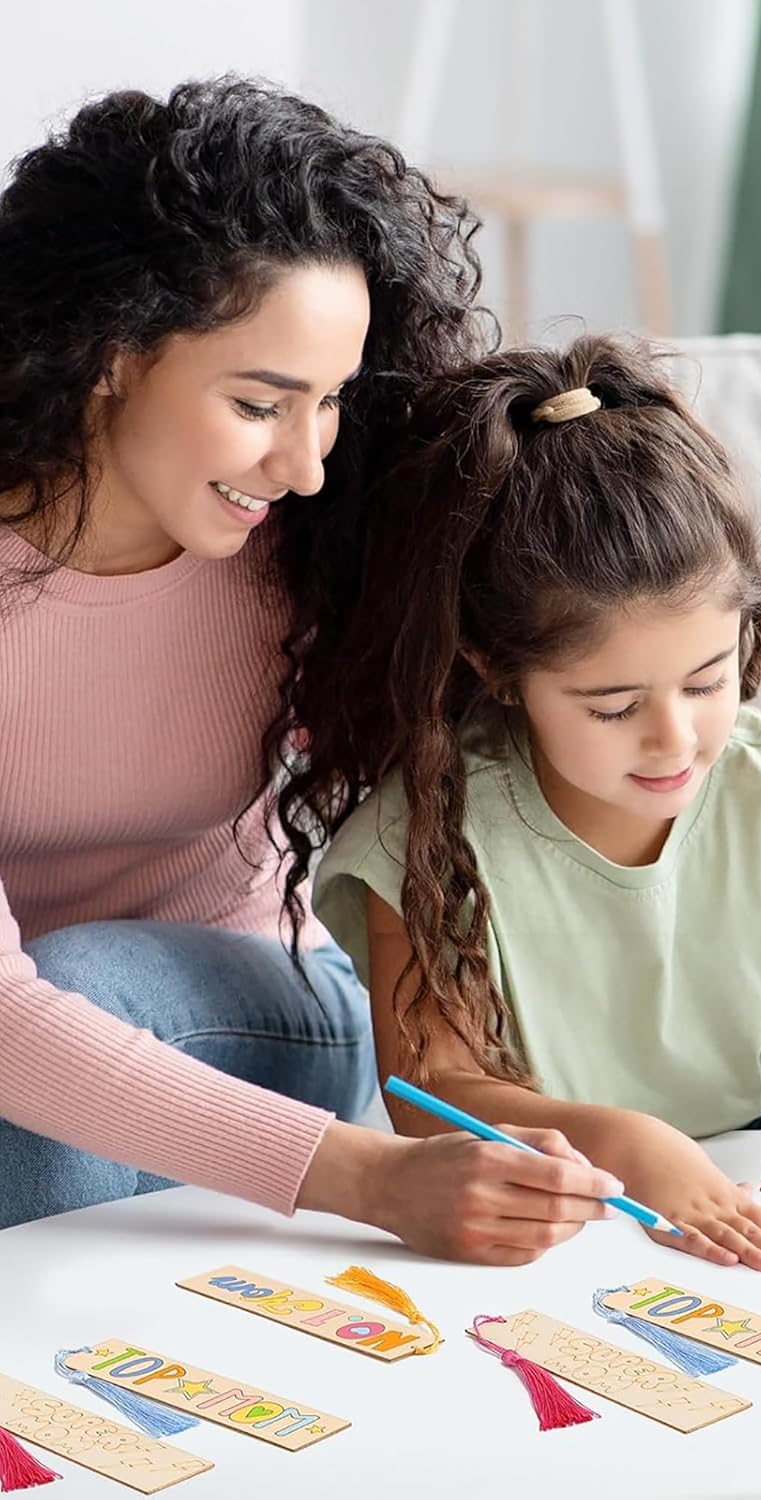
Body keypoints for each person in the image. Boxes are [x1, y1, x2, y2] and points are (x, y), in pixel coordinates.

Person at [0, 78, 623, 1261]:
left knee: (71, 996)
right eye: (258, 404)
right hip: (32, 1036)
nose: (306, 464)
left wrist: (382, 1176)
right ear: (109, 356)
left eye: (330, 403)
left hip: (263, 1007)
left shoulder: (314, 549)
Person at [308, 334, 761, 1270]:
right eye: (615, 706)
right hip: (549, 1216)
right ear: (498, 670)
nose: (674, 740)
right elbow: (429, 1091)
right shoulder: (428, 829)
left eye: (708, 683)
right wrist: (623, 1142)